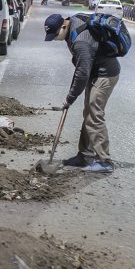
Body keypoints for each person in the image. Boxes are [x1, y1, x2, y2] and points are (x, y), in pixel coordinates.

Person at [43, 13, 120, 174]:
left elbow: (82, 74)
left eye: (55, 34)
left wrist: (70, 98)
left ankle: (104, 161)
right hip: (95, 72)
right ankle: (85, 155)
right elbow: (81, 69)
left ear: (63, 26)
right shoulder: (73, 22)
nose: (55, 38)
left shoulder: (80, 42)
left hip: (104, 75)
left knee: (94, 114)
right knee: (89, 113)